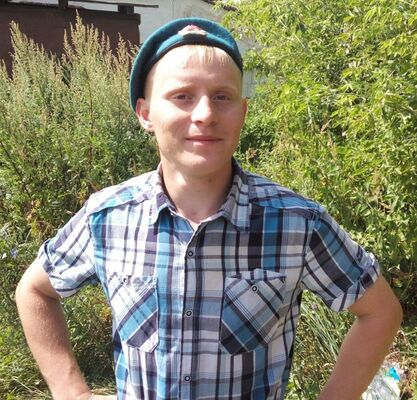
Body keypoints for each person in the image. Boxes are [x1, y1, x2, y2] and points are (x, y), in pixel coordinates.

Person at [16, 17, 402, 400]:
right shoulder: (107, 218)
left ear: (243, 112)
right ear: (145, 114)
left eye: (222, 97)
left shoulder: (296, 223)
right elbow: (34, 292)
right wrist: (71, 391)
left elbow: (380, 312)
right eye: (182, 96)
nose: (205, 114)